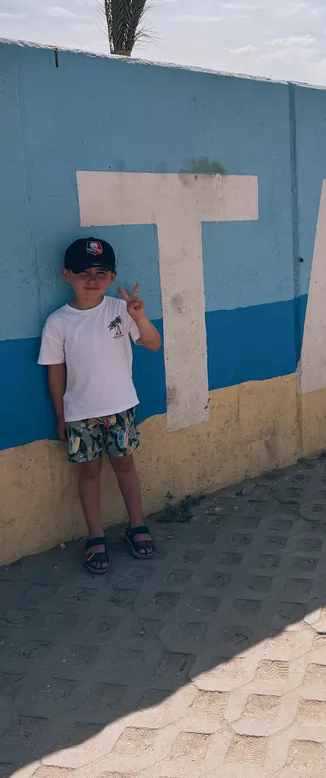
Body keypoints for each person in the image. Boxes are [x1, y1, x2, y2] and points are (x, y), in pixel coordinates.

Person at [38, 238, 162, 574]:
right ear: (67, 275)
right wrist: (62, 416)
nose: (91, 279)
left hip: (121, 409)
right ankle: (96, 535)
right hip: (81, 415)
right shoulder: (58, 322)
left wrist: (140, 316)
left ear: (111, 277)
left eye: (101, 272)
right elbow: (55, 374)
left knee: (125, 467)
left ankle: (137, 525)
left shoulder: (121, 310)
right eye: (83, 272)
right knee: (89, 473)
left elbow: (152, 343)